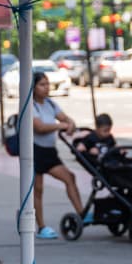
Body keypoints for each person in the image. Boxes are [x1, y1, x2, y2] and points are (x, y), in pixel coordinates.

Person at [30, 71, 86, 240]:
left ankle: (81, 214)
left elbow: (67, 119)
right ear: (33, 87)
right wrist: (60, 125)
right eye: (42, 84)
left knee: (69, 177)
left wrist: (69, 124)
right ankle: (41, 227)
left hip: (49, 151)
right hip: (35, 151)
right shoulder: (30, 105)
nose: (46, 88)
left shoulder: (50, 104)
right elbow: (39, 127)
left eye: (47, 84)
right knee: (38, 190)